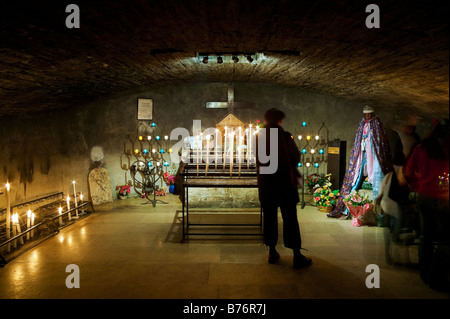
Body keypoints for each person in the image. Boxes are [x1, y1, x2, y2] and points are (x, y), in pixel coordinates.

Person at [256, 108, 312, 268]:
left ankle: (272, 251)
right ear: (279, 120)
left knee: (270, 218)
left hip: (267, 185)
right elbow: (295, 157)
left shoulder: (259, 137)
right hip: (284, 184)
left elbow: (258, 160)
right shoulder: (284, 136)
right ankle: (296, 255)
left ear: (266, 119)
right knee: (290, 220)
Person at [404, 119, 449, 292]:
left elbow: (408, 171)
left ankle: (425, 273)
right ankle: (436, 278)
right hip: (441, 198)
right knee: (445, 238)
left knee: (426, 236)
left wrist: (417, 184)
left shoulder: (421, 148)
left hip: (423, 196)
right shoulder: (446, 149)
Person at [328, 105, 393, 219]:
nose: (367, 116)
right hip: (362, 151)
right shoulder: (362, 123)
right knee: (355, 175)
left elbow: (380, 141)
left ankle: (379, 211)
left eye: (369, 114)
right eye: (366, 114)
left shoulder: (377, 124)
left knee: (376, 173)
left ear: (372, 114)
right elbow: (359, 137)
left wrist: (372, 145)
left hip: (373, 153)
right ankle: (345, 209)